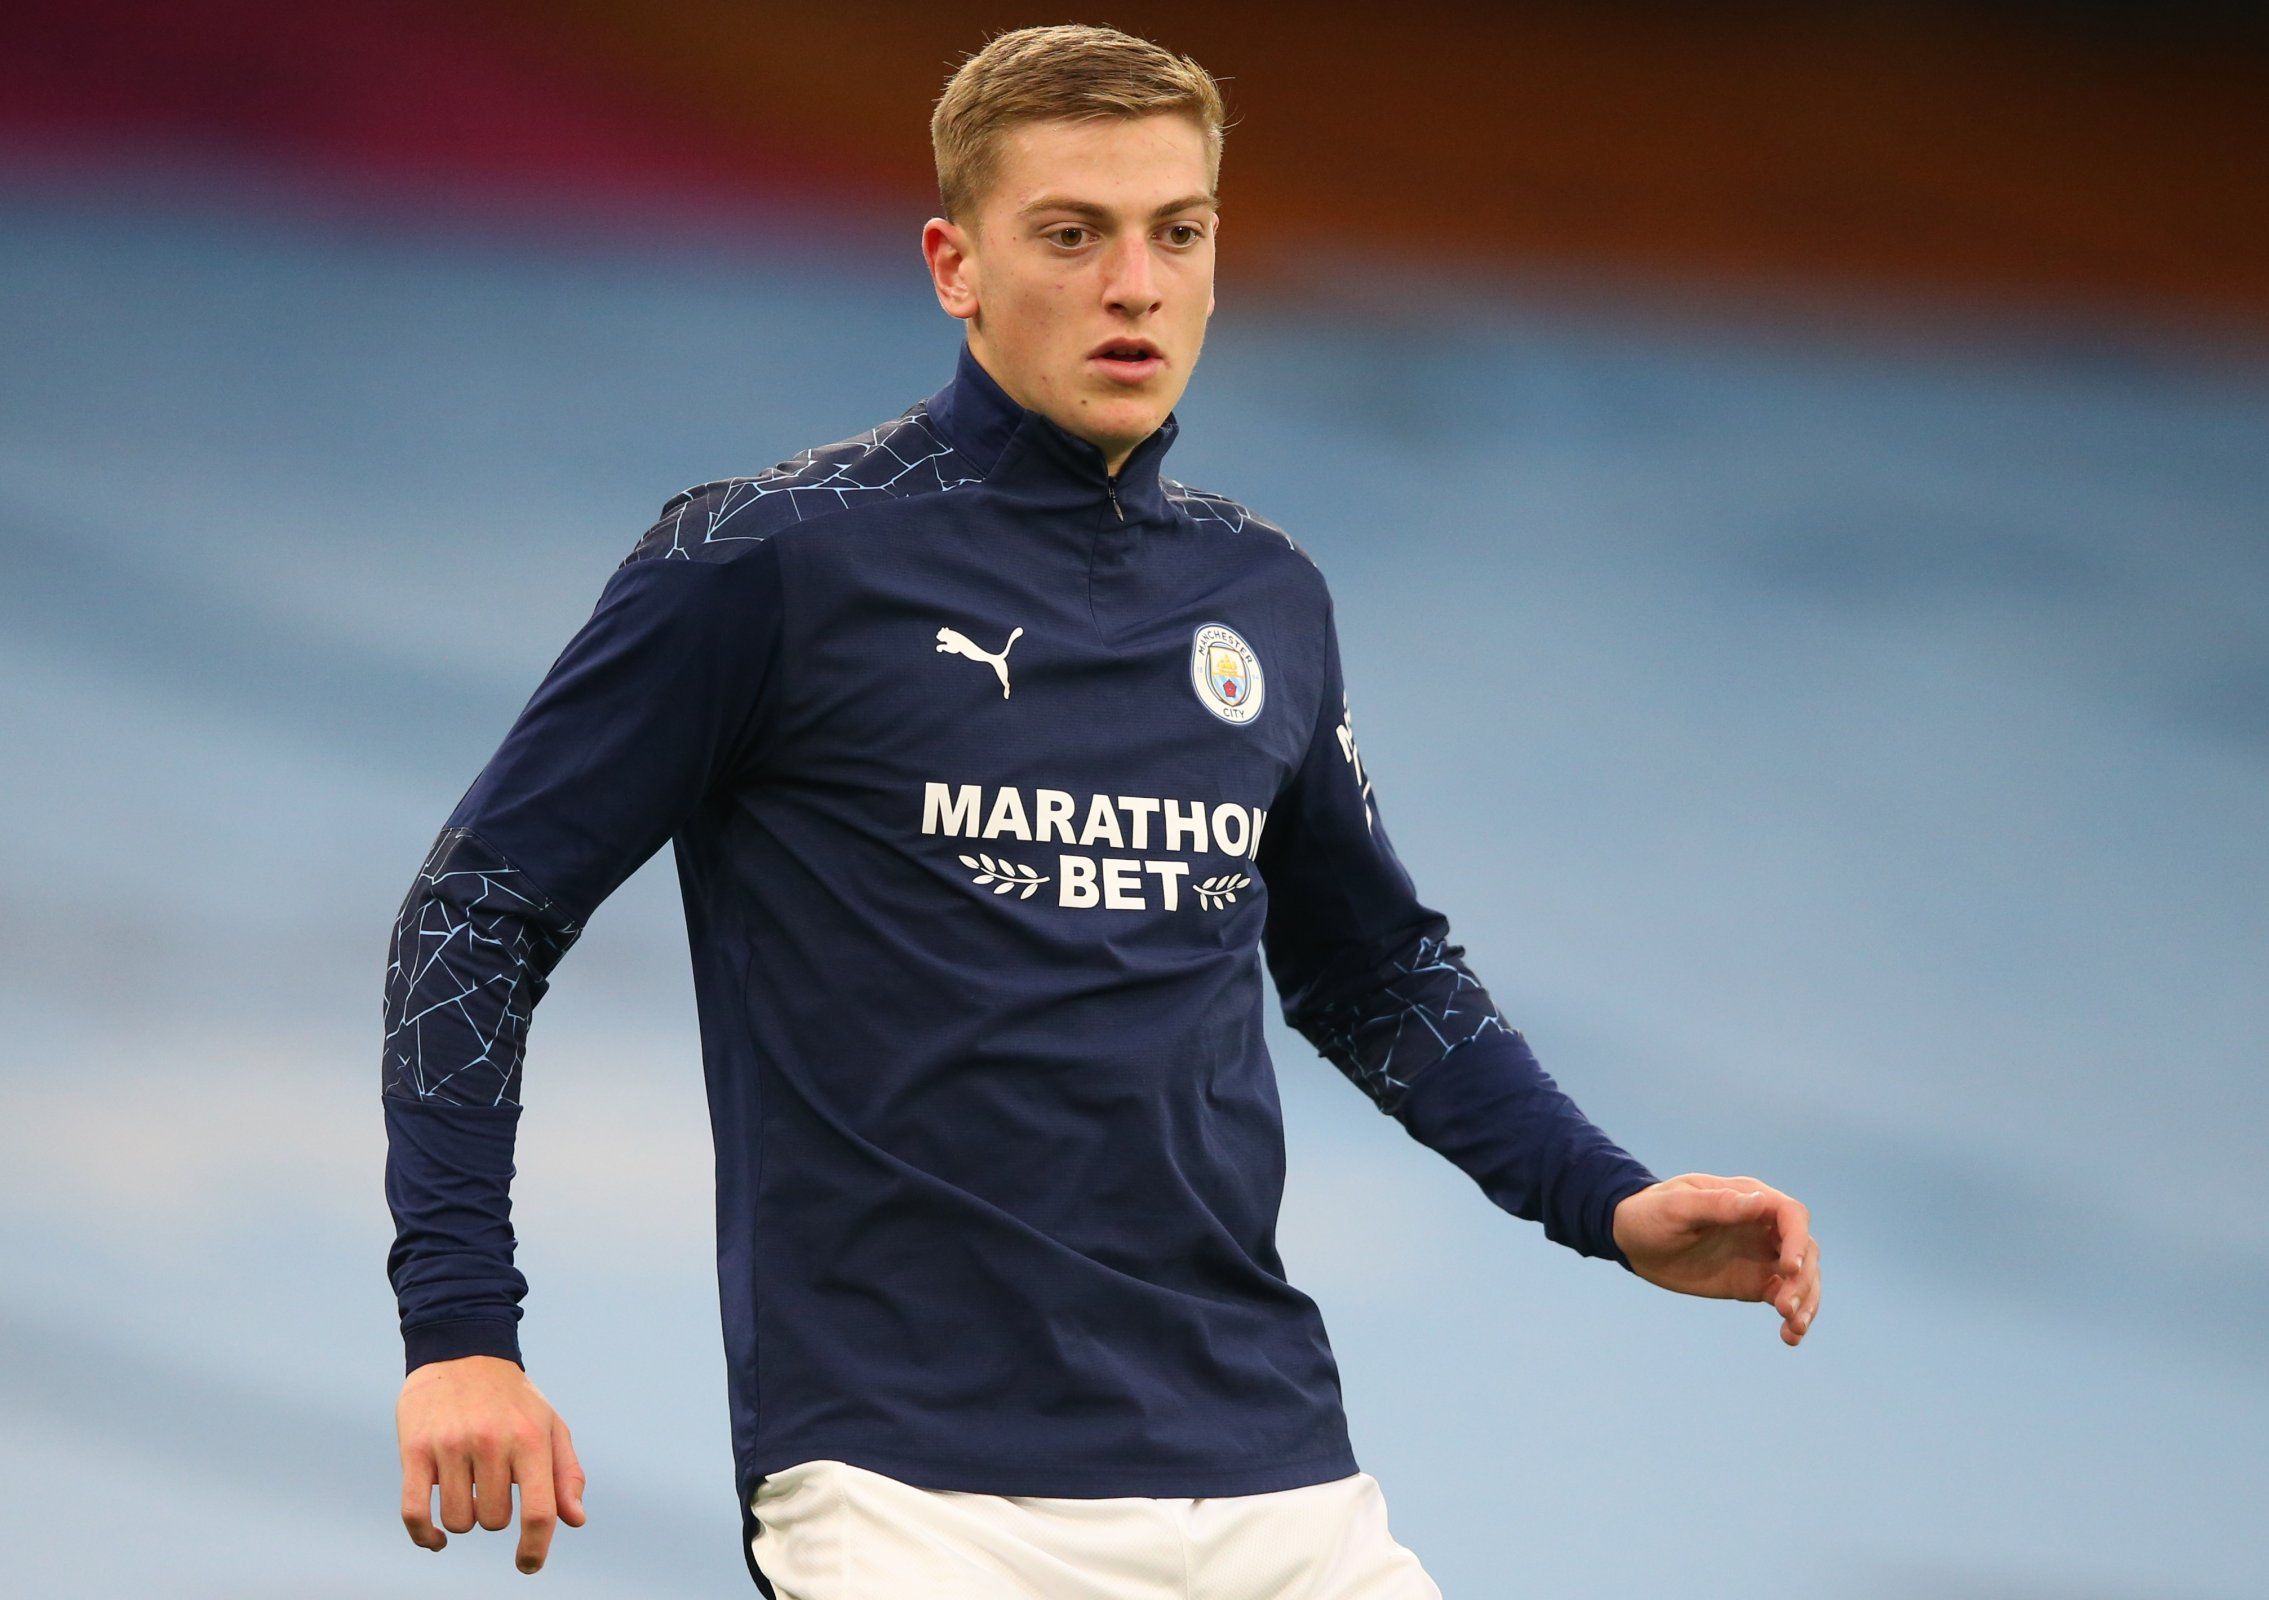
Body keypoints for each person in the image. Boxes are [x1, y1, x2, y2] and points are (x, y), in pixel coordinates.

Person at [381, 21, 1822, 1598]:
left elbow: (1371, 969)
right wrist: (461, 1332)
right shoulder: (764, 563)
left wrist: (1604, 1198)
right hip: (912, 1496)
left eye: (1175, 233)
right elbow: (479, 914)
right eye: (1071, 235)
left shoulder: (1262, 592)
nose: (1134, 285)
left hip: (1276, 1482)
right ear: (955, 265)